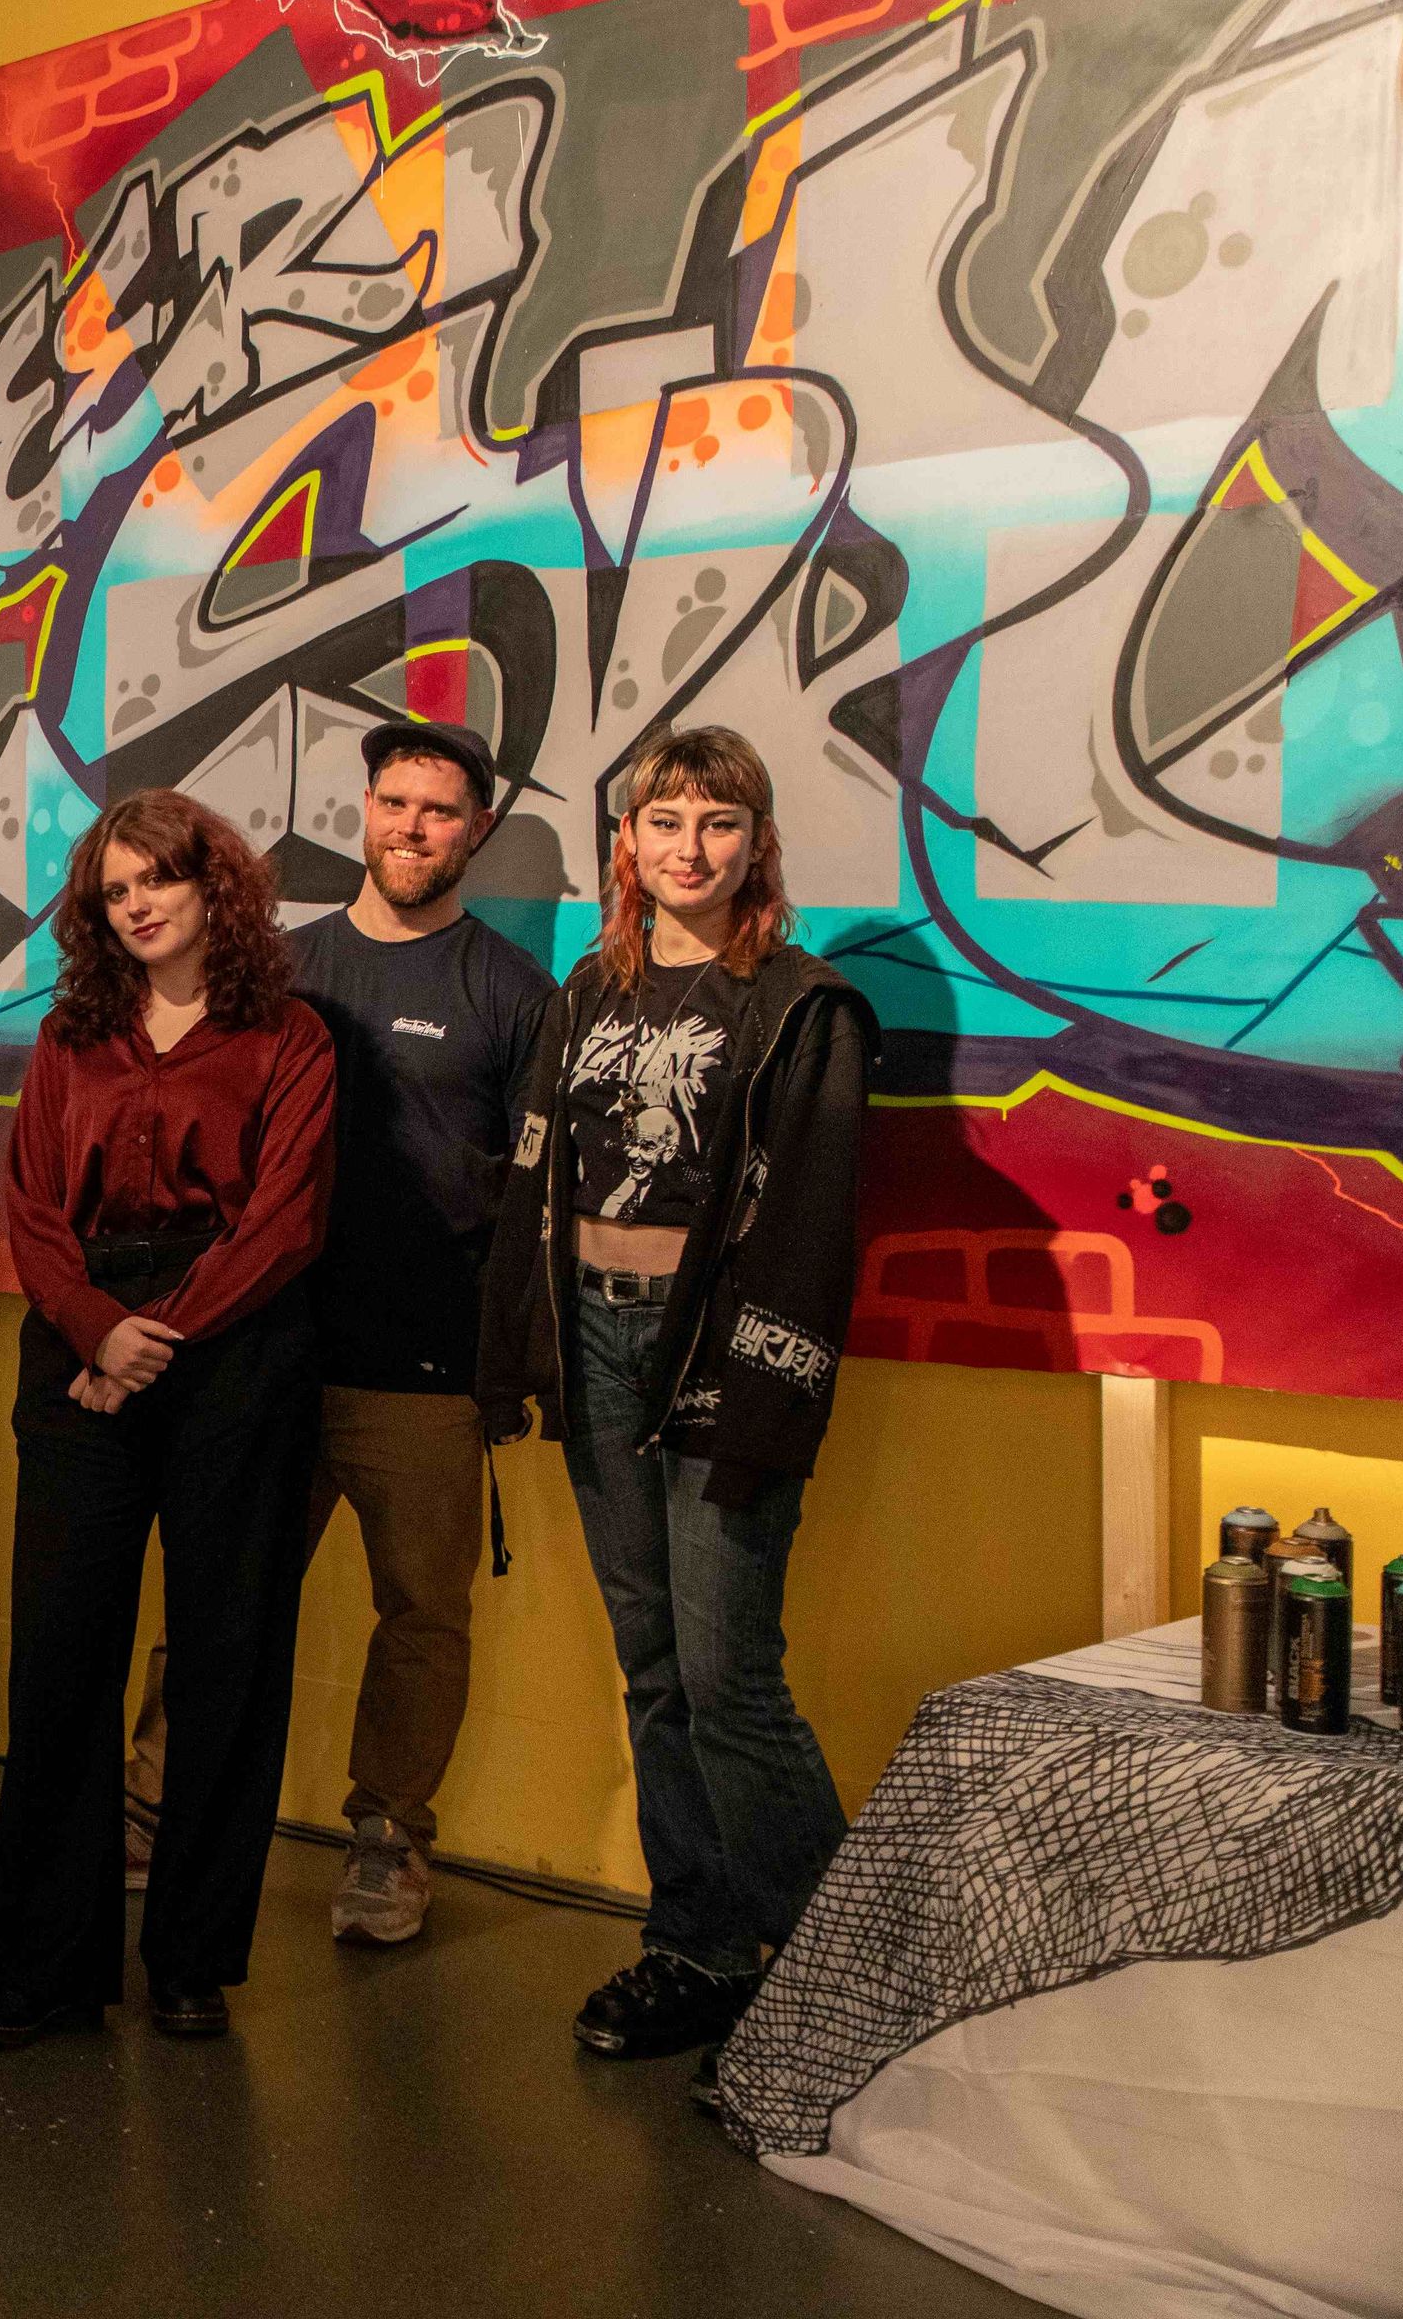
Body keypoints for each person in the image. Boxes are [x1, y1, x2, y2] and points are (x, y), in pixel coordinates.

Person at [478, 724, 876, 2065]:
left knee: (726, 1675)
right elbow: (537, 1177)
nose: (689, 848)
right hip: (594, 1342)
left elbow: (811, 1230)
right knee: (652, 1667)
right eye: (665, 822)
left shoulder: (805, 1008)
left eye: (718, 823)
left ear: (757, 845)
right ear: (629, 845)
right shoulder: (588, 991)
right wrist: (516, 1348)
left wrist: (767, 1402)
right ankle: (700, 1946)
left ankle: (838, 1983)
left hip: (718, 1357)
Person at [0, 791, 335, 2049]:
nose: (137, 905)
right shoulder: (71, 1036)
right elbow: (30, 1205)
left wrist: (151, 1341)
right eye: (115, 891)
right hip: (82, 1336)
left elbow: (283, 1220)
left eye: (158, 880)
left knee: (229, 1656)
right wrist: (92, 1328)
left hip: (234, 1346)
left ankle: (191, 1959)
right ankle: (42, 1968)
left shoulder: (289, 1035)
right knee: (61, 1655)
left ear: (213, 886)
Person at [276, 718, 551, 1942]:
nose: (412, 827)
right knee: (227, 1594)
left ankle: (388, 1839)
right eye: (394, 802)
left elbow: (536, 1196)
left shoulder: (513, 990)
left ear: (476, 830)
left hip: (429, 1371)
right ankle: (155, 1801)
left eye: (439, 811)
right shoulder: (284, 967)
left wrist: (509, 1361)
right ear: (366, 808)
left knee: (423, 1624)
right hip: (273, 1355)